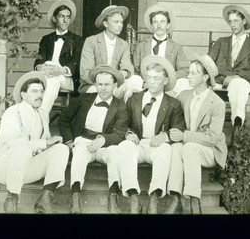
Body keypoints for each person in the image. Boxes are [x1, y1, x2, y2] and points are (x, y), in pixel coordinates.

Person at [0, 72, 69, 214]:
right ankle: (12, 198)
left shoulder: (43, 114)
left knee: (61, 149)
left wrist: (52, 143)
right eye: (34, 91)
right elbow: (15, 143)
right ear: (23, 94)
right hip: (5, 168)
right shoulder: (12, 112)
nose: (39, 95)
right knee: (22, 150)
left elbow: (44, 141)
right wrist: (44, 143)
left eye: (41, 91)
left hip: (28, 168)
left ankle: (45, 198)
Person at [111, 56, 186, 214]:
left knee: (166, 149)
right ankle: (133, 198)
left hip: (157, 147)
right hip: (138, 144)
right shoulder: (134, 99)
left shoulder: (173, 104)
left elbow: (179, 127)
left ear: (165, 81)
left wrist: (164, 136)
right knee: (124, 146)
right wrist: (129, 133)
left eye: (156, 78)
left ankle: (154, 198)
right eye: (149, 77)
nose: (151, 82)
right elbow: (123, 123)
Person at [58, 65, 128, 214]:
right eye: (100, 84)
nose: (103, 88)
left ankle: (113, 196)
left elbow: (121, 133)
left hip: (105, 145)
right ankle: (75, 196)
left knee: (115, 154)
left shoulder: (120, 106)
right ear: (95, 85)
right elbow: (63, 119)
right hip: (83, 140)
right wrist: (69, 140)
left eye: (107, 84)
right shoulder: (84, 99)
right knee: (79, 154)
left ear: (115, 85)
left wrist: (103, 140)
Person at [166, 54, 228, 214]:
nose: (188, 76)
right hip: (189, 147)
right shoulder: (183, 96)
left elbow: (213, 138)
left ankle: (195, 201)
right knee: (177, 148)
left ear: (205, 77)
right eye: (189, 72)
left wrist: (185, 136)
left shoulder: (217, 103)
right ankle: (175, 198)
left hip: (210, 151)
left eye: (194, 73)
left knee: (189, 147)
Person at [208, 5, 250, 133]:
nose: (232, 24)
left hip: (241, 82)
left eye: (236, 21)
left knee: (238, 84)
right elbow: (208, 63)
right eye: (230, 21)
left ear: (244, 22)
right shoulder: (221, 42)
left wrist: (237, 76)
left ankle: (237, 124)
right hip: (219, 81)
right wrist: (217, 75)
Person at [79, 5, 143, 101]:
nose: (120, 25)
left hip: (115, 86)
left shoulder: (123, 44)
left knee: (136, 79)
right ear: (105, 24)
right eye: (116, 22)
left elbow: (128, 68)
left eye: (121, 22)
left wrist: (122, 74)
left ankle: (125, 112)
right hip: (95, 86)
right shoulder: (91, 41)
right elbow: (85, 73)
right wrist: (105, 81)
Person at [33, 0, 84, 113]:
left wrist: (60, 71)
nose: (66, 20)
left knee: (52, 80)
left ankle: (40, 115)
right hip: (48, 75)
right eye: (62, 16)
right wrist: (41, 67)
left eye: (68, 17)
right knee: (41, 80)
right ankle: (38, 116)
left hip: (66, 78)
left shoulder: (77, 40)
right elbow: (39, 60)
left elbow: (76, 63)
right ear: (54, 18)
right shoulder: (46, 39)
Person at [133, 4, 190, 98]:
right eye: (155, 22)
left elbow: (184, 70)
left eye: (162, 22)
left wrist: (165, 79)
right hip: (146, 84)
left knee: (184, 83)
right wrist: (146, 82)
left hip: (167, 86)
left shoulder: (176, 47)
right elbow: (135, 70)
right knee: (132, 80)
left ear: (168, 25)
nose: (159, 26)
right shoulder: (141, 46)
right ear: (151, 25)